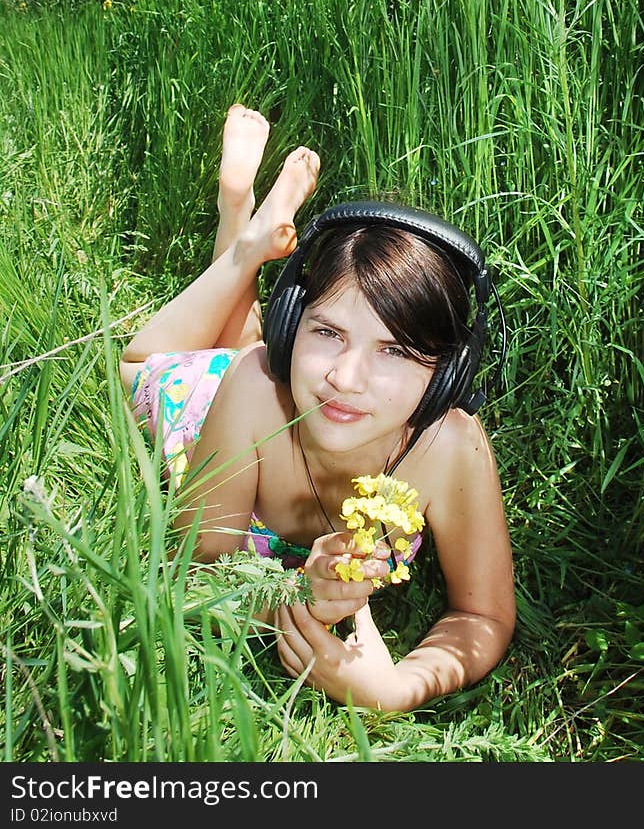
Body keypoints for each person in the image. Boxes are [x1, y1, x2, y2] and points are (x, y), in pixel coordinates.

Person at [120, 104, 516, 713]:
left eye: (393, 350)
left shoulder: (453, 448)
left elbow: (483, 614)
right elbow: (193, 573)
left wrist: (395, 687)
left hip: (264, 381)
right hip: (209, 402)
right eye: (327, 332)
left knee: (243, 345)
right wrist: (288, 595)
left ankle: (249, 232)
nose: (345, 378)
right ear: (293, 328)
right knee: (142, 365)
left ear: (447, 372)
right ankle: (244, 243)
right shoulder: (258, 386)